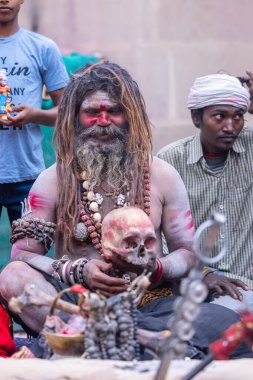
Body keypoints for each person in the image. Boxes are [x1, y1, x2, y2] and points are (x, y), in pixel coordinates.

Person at [0, 62, 247, 359]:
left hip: (151, 301)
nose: (103, 122)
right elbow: (23, 255)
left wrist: (156, 268)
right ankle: (133, 341)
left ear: (130, 117)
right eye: (92, 112)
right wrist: (79, 270)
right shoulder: (53, 179)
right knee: (12, 277)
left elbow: (188, 252)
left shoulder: (161, 175)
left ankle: (103, 341)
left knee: (227, 320)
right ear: (76, 118)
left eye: (114, 111)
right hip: (80, 302)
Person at [158, 73, 253, 312]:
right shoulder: (170, 161)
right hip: (189, 286)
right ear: (196, 117)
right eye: (219, 116)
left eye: (238, 116)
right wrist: (202, 274)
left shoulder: (250, 146)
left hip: (245, 287)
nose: (230, 127)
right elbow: (158, 236)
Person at [0, 0, 69, 224]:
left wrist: (34, 114)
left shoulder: (42, 47)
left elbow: (67, 112)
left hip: (27, 174)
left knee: (29, 253)